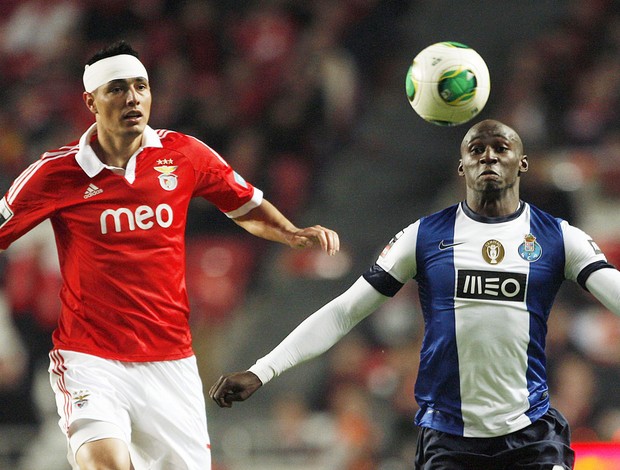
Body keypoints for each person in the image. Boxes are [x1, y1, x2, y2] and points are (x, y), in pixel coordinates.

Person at [0, 40, 340, 470]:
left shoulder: (183, 154)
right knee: (105, 463)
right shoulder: (55, 173)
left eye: (140, 86)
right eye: (117, 88)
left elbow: (244, 204)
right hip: (90, 358)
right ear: (91, 101)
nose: (132, 98)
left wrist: (291, 233)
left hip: (171, 362)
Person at [209, 119, 620, 469]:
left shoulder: (559, 238)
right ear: (462, 166)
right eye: (476, 149)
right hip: (449, 441)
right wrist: (263, 370)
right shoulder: (423, 237)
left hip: (531, 435)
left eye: (501, 147)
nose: (489, 156)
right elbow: (344, 312)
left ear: (523, 163)